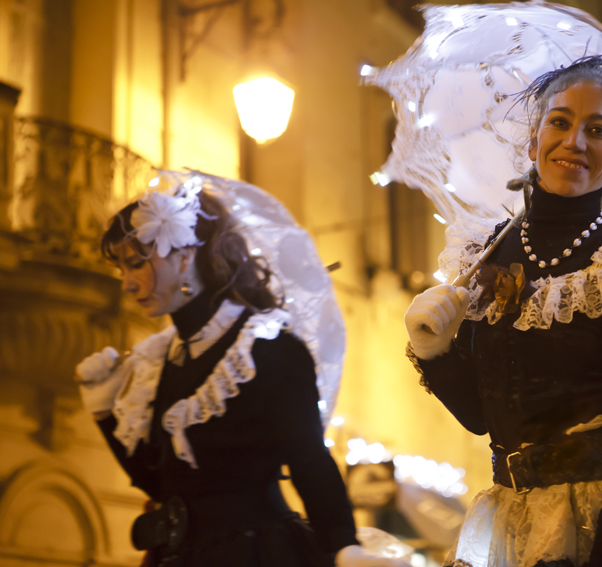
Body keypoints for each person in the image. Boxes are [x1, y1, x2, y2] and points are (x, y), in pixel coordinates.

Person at [404, 56, 602, 567]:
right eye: (560, 122)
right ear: (533, 139)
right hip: (512, 522)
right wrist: (433, 349)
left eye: (597, 129)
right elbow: (481, 418)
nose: (574, 141)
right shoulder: (482, 259)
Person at [76, 180, 404, 567]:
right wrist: (104, 409)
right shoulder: (159, 361)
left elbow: (309, 460)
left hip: (254, 553)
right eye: (121, 267)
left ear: (184, 256)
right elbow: (159, 483)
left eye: (136, 264)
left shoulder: (266, 349)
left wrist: (342, 545)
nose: (128, 283)